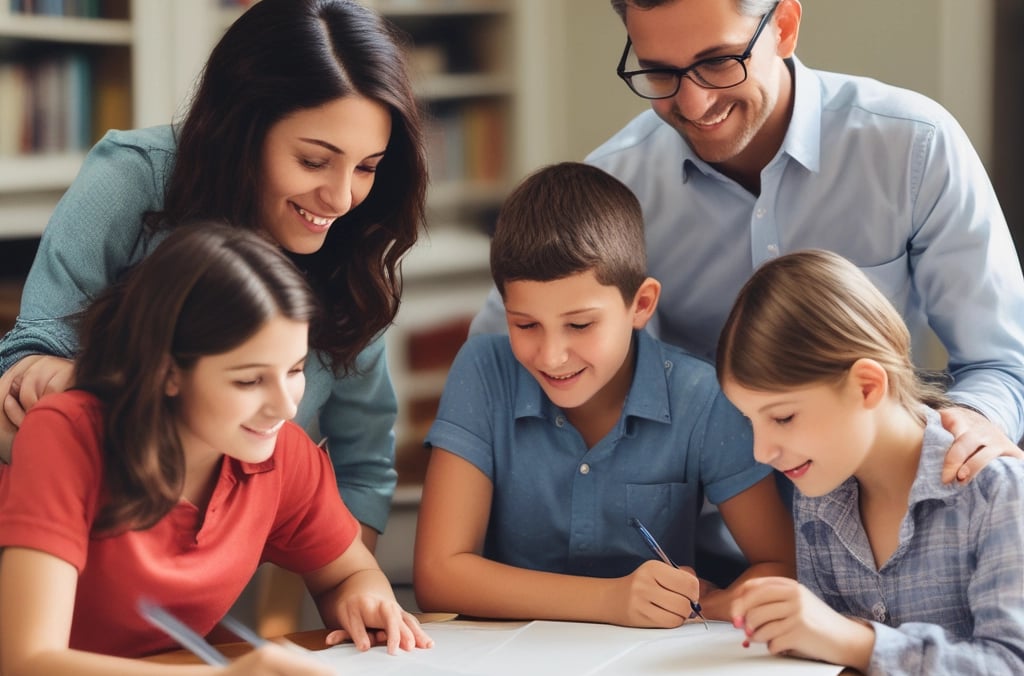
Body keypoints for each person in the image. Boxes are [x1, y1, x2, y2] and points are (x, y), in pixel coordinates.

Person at [469, 0, 1024, 481]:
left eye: (717, 63)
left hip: (881, 532)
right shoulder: (615, 189)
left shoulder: (914, 148)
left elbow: (1003, 363)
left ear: (783, 25)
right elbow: (497, 364)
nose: (693, 105)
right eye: (659, 72)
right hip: (696, 554)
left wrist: (971, 423)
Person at [0, 0, 427, 547]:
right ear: (242, 131)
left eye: (368, 166)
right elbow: (32, 355)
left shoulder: (354, 248)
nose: (342, 198)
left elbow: (363, 467)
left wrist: (346, 584)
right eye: (314, 161)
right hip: (80, 537)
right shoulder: (134, 177)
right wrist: (57, 386)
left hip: (236, 568)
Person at [0, 224, 433, 675]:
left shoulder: (282, 453)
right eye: (248, 380)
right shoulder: (67, 435)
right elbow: (27, 660)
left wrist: (366, 598)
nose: (285, 407)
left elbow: (348, 573)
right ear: (167, 371)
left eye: (295, 369)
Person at [413, 162, 794, 626]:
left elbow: (781, 566)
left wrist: (708, 603)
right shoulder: (484, 370)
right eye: (525, 325)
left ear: (641, 305)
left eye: (580, 324)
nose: (552, 356)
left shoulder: (702, 397)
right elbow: (438, 576)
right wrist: (610, 601)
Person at [718, 249, 1024, 674]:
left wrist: (855, 642)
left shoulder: (999, 493)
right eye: (750, 421)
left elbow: (1012, 663)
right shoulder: (816, 497)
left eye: (783, 417)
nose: (761, 452)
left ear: (866, 386)